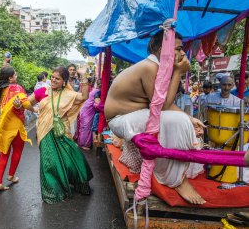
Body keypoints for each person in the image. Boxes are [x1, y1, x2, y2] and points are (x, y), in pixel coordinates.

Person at [105, 31, 206, 205]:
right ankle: (177, 181)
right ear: (162, 49)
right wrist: (179, 73)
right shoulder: (150, 67)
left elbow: (161, 104)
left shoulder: (157, 66)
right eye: (179, 49)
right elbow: (163, 106)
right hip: (121, 120)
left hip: (137, 116)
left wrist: (190, 118)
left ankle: (175, 173)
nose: (183, 54)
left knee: (183, 121)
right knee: (178, 122)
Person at [15, 66, 93, 204]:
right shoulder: (42, 91)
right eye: (52, 77)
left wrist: (84, 76)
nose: (53, 80)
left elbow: (84, 96)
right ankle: (52, 191)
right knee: (49, 163)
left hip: (62, 131)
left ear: (64, 81)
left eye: (57, 78)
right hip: (45, 131)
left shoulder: (68, 94)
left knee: (71, 159)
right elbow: (26, 103)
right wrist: (18, 105)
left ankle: (78, 181)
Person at [0, 66, 35, 191]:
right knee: (17, 151)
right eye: (15, 75)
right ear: (10, 78)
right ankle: (11, 176)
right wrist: (35, 109)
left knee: (3, 154)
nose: (16, 77)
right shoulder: (17, 88)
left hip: (1, 127)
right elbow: (26, 104)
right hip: (15, 127)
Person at [74, 78, 100, 150]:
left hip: (85, 109)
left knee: (85, 127)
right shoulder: (97, 91)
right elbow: (98, 104)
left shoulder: (94, 90)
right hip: (87, 110)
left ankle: (84, 143)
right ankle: (83, 144)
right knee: (86, 127)